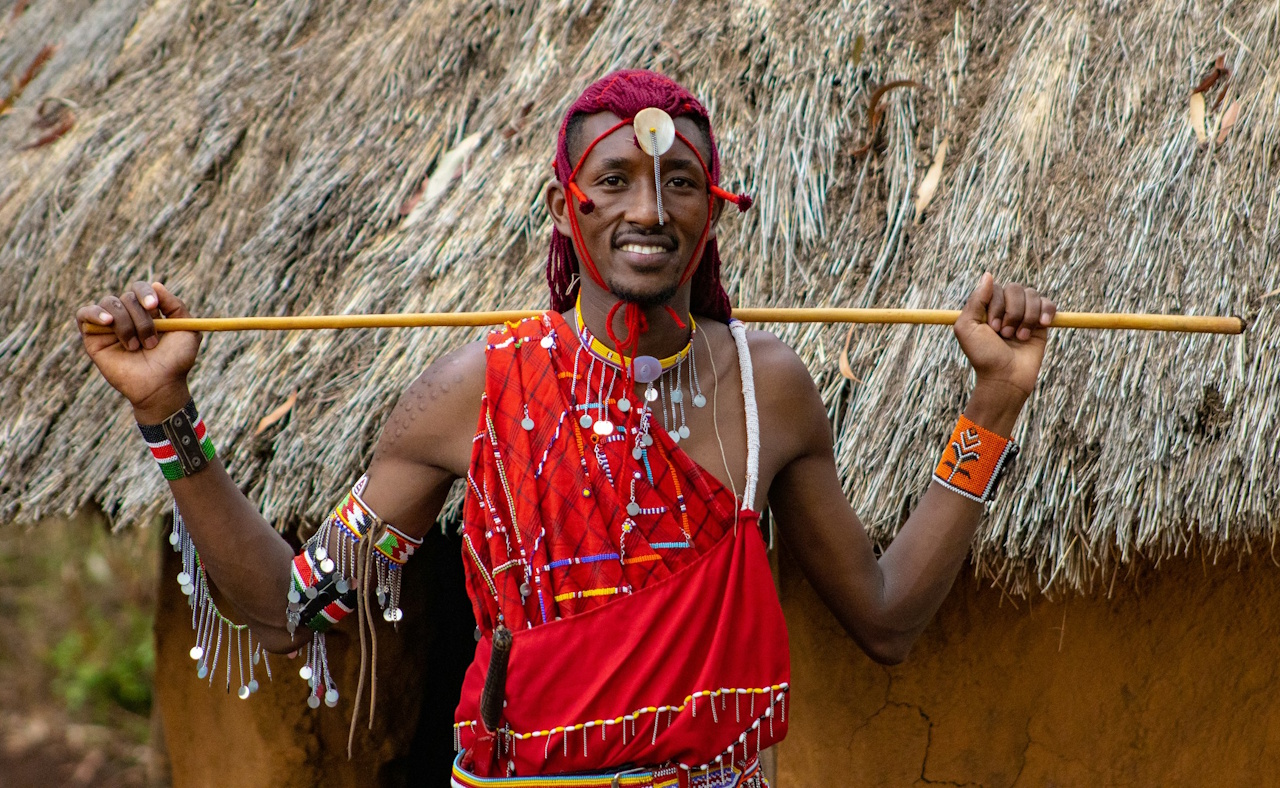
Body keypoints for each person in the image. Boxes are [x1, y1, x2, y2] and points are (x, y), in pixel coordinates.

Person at [76, 70, 1056, 786]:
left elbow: (886, 619)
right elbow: (293, 612)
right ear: (562, 204)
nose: (649, 210)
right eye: (614, 178)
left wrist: (993, 404)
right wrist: (165, 412)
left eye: (679, 182)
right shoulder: (473, 393)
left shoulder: (769, 391)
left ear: (713, 209)